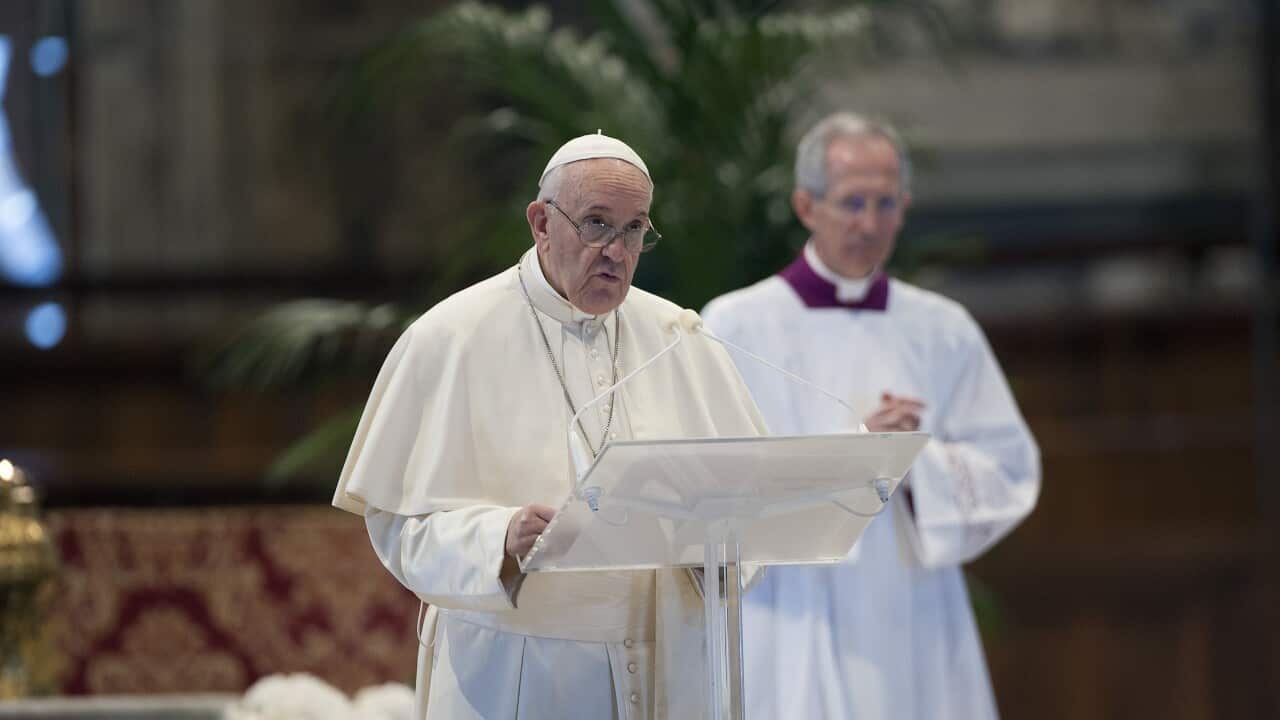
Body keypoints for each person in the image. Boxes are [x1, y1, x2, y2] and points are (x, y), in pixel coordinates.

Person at [333, 132, 768, 719]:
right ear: (541, 222)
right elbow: (399, 529)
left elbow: (752, 507)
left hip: (666, 668)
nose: (616, 250)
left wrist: (712, 550)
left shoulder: (679, 337)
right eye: (595, 224)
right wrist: (498, 539)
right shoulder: (452, 338)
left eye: (635, 229)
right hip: (515, 673)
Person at [702, 112, 1041, 719]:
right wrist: (859, 451)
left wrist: (916, 461)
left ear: (905, 207)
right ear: (806, 206)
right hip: (791, 607)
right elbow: (713, 483)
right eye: (851, 202)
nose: (868, 223)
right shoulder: (736, 325)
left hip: (910, 603)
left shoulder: (943, 329)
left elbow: (1010, 470)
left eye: (886, 204)